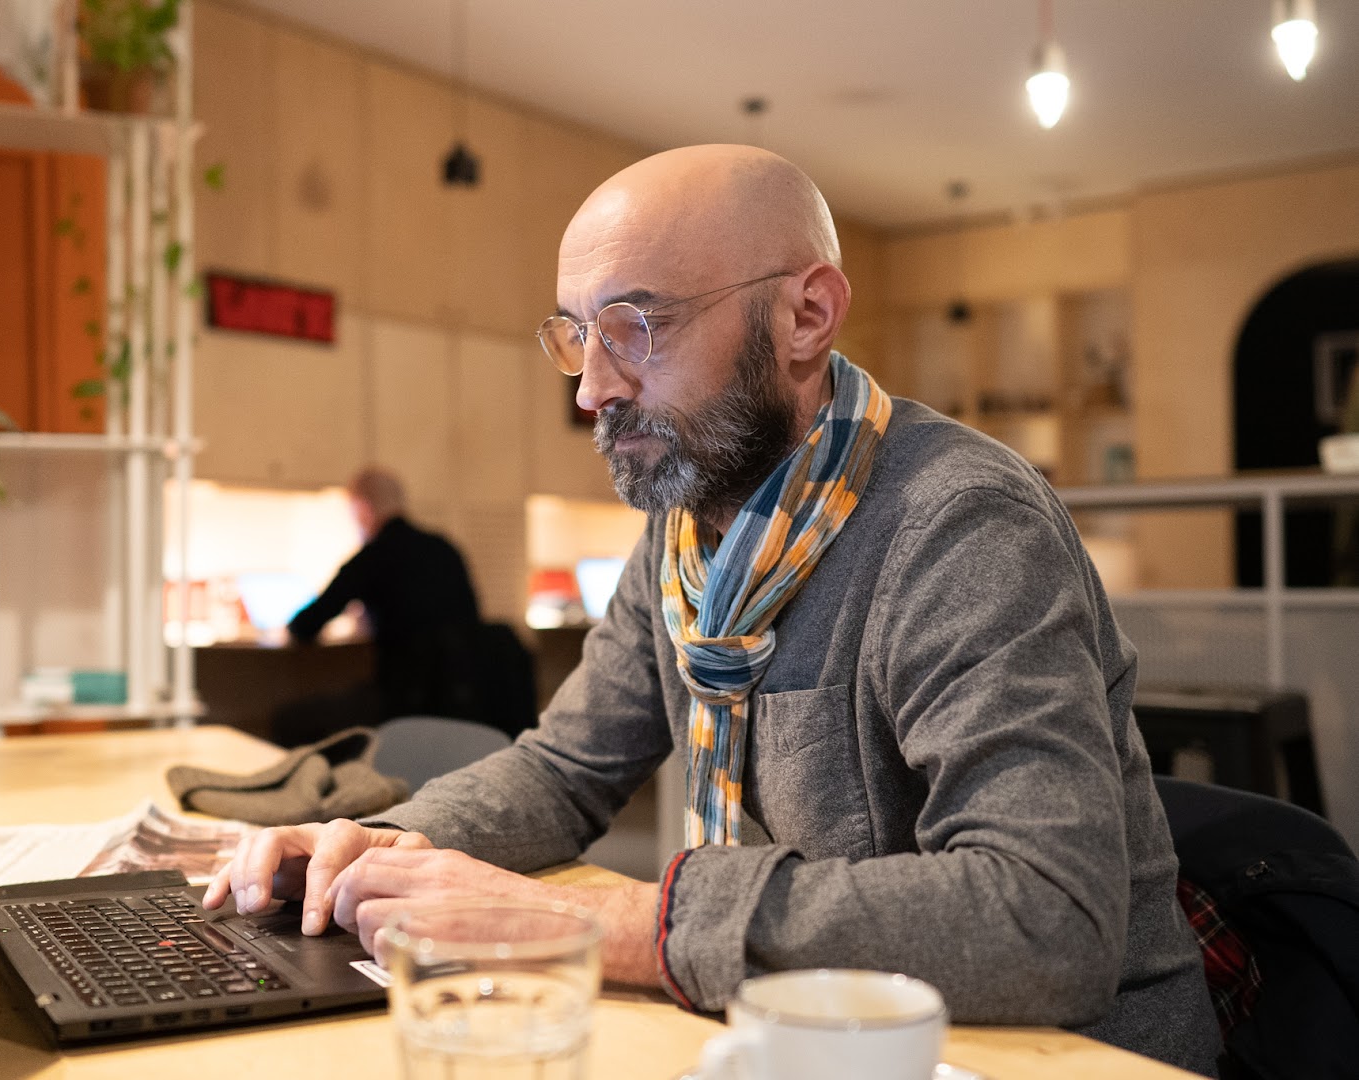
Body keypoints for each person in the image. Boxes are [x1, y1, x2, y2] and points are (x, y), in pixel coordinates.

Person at [207, 145, 1221, 1074]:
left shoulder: (961, 527)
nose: (592, 391)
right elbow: (565, 770)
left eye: (637, 328)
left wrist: (612, 925)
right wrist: (379, 843)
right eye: (577, 337)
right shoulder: (684, 530)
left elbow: (1046, 916)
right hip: (815, 1036)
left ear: (807, 316)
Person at [284, 468, 484, 727]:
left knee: (289, 720)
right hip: (463, 699)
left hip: (400, 699)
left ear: (363, 508)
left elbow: (306, 625)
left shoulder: (372, 557)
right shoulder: (445, 549)